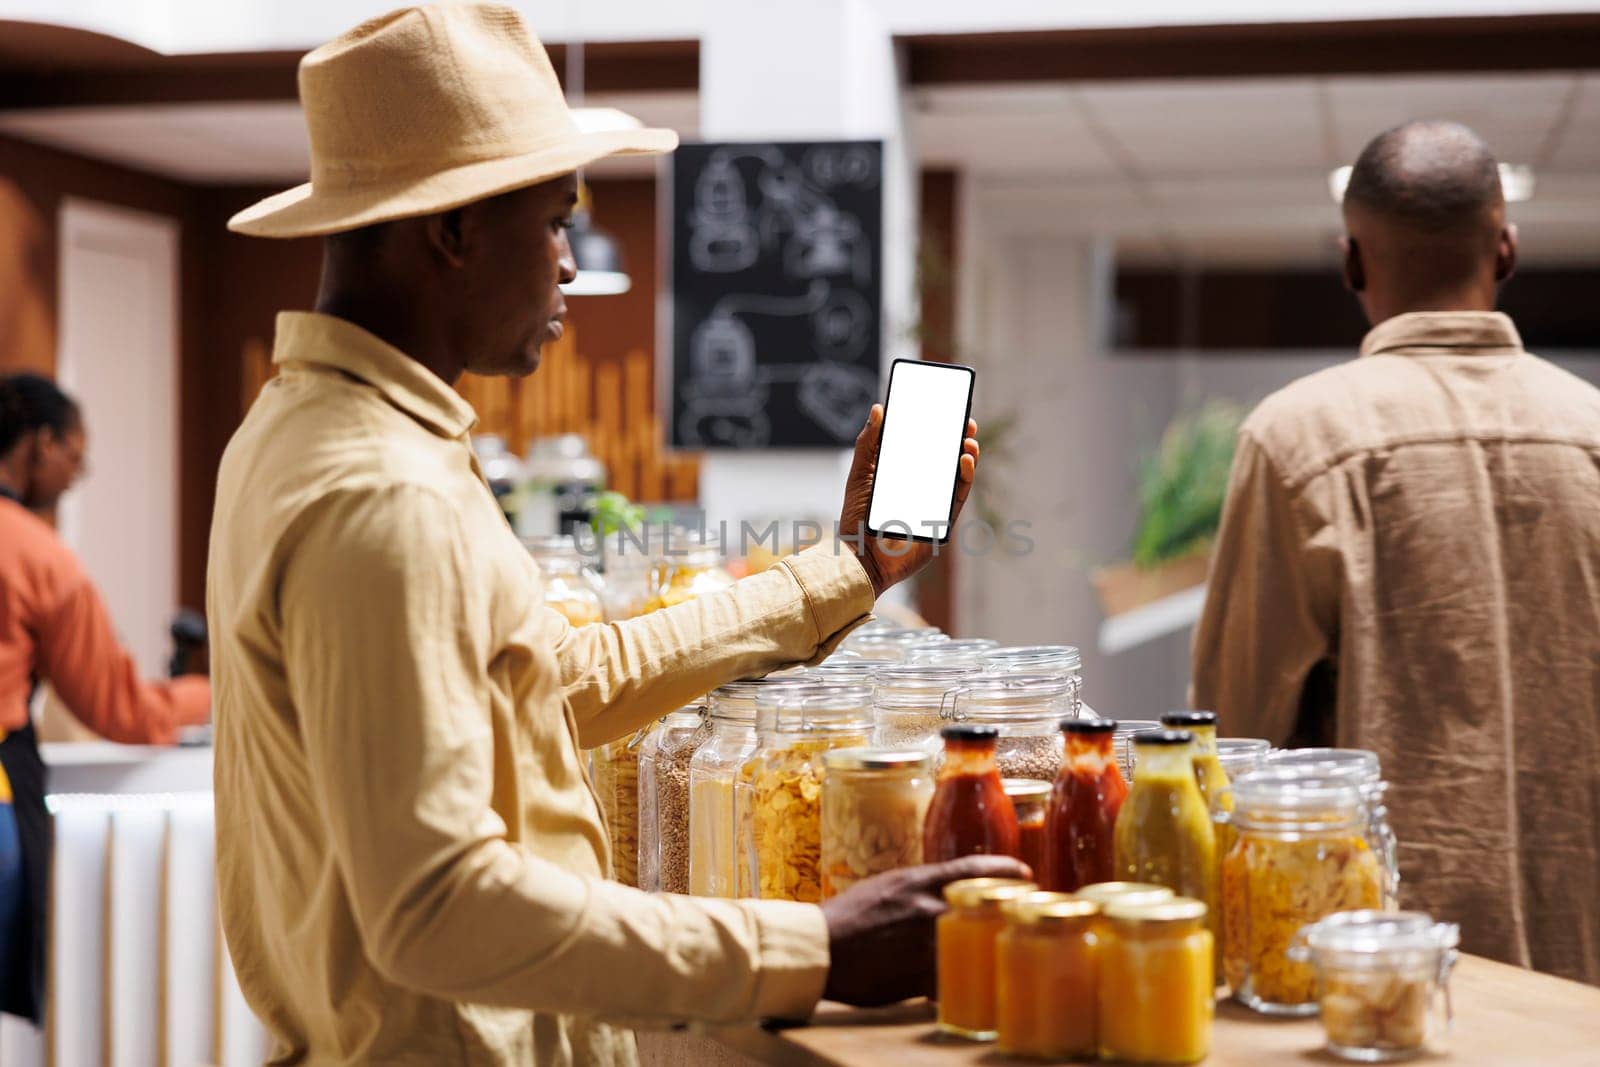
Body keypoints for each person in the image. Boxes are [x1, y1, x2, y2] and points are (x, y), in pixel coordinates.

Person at [207, 7, 1021, 1064]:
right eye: (553, 223)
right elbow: (437, 907)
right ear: (451, 232)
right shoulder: (383, 492)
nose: (567, 268)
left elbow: (564, 677)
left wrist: (851, 568)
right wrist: (810, 945)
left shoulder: (300, 427)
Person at [1192, 120, 1600, 985]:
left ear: (1351, 263)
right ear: (1508, 250)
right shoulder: (1592, 432)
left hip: (1378, 970)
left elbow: (1234, 736)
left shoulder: (1298, 436)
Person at [0, 372, 211, 1019]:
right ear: (38, 443)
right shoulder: (36, 555)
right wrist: (206, 694)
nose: (77, 471)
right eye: (73, 452)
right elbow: (120, 710)